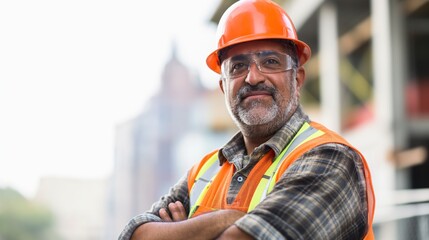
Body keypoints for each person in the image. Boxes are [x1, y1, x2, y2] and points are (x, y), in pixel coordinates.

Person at [118, 0, 375, 239]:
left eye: (270, 62)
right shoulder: (204, 173)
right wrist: (225, 219)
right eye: (238, 66)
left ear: (297, 79)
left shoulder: (330, 158)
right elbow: (132, 235)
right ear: (223, 87)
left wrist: (184, 231)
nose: (253, 77)